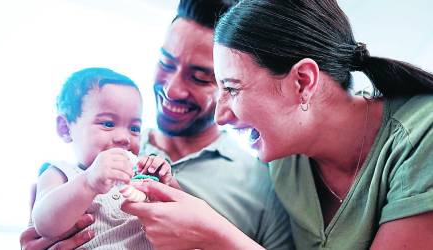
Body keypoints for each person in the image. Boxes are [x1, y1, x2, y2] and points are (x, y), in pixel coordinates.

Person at [120, 0, 433, 249]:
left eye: (231, 88)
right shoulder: (283, 166)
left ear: (302, 81)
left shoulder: (423, 136)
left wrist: (214, 235)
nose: (220, 116)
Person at [20, 1, 294, 249]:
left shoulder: (264, 186)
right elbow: (44, 224)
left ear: (231, 87)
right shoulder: (88, 158)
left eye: (199, 78)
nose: (172, 90)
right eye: (166, 62)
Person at [31, 67, 178, 249]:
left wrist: (167, 184)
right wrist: (88, 182)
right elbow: (45, 224)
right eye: (108, 124)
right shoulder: (60, 173)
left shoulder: (140, 174)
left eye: (134, 128)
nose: (124, 137)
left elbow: (184, 217)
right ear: (65, 128)